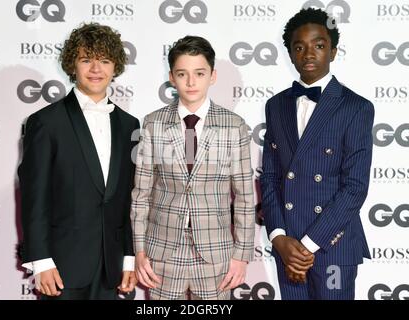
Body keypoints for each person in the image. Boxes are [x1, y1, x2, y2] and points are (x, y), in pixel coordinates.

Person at [18, 22, 139, 300]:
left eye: (105, 60)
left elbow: (128, 199)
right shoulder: (46, 122)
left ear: (115, 66)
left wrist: (129, 257)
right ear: (73, 64)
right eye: (87, 60)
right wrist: (41, 260)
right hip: (61, 265)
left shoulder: (129, 124)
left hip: (112, 265)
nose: (96, 69)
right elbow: (34, 196)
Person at [260, 8, 374, 300]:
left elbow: (355, 187)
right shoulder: (276, 106)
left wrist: (307, 246)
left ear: (333, 51)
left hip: (332, 244)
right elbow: (270, 177)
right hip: (288, 246)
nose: (308, 54)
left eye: (319, 45)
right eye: (299, 47)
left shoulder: (356, 108)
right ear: (289, 53)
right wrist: (279, 238)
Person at [131, 36, 255, 300]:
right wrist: (140, 250)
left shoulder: (234, 126)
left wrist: (241, 256)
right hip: (162, 252)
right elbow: (141, 196)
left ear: (212, 76)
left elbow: (244, 197)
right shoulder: (153, 124)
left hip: (216, 254)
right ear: (171, 77)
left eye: (199, 73)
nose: (190, 82)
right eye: (182, 74)